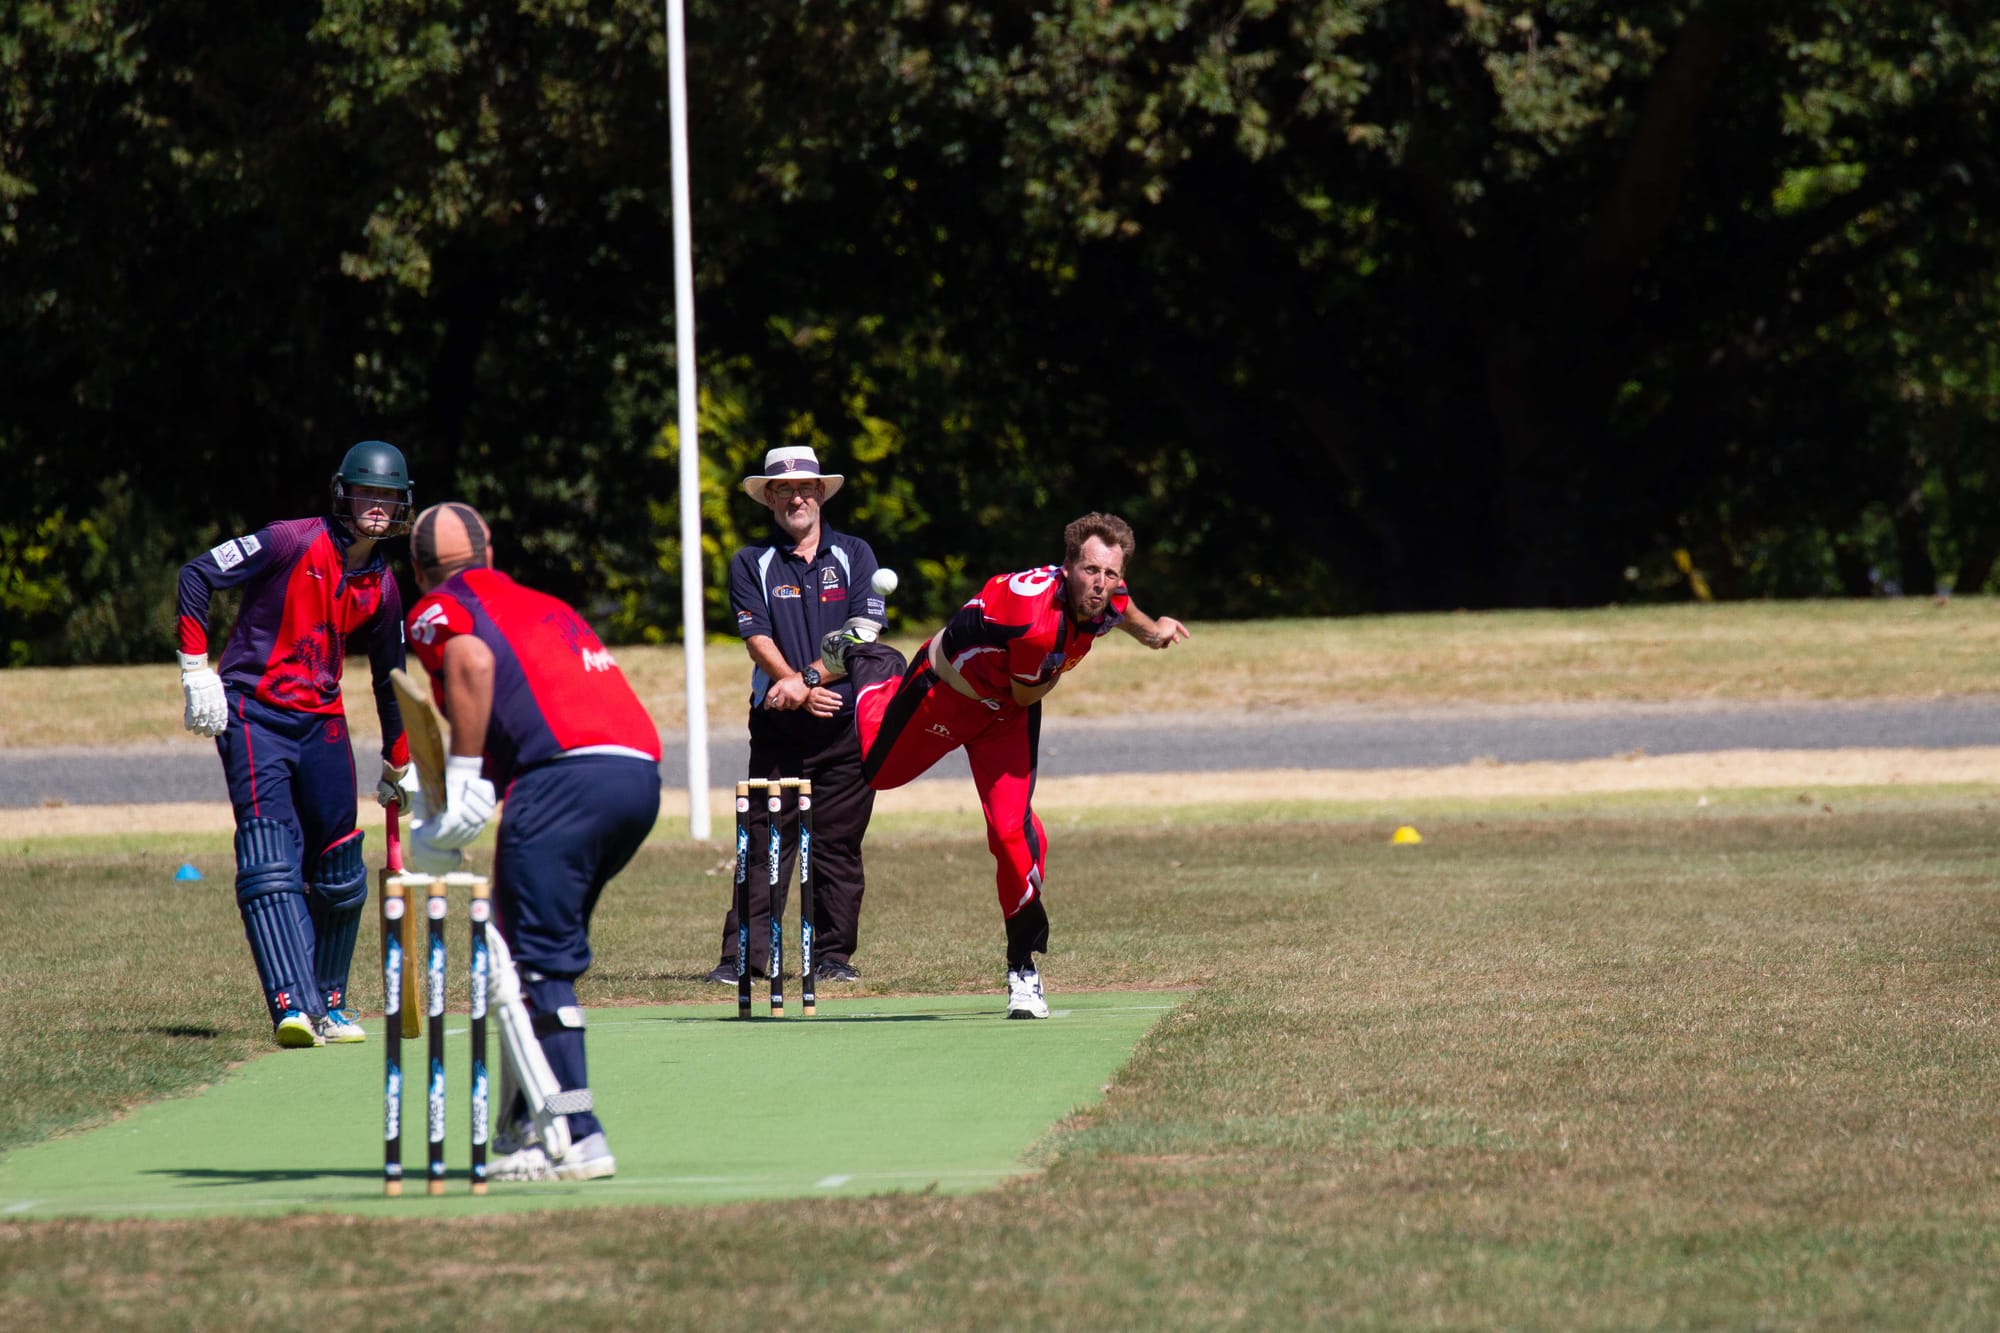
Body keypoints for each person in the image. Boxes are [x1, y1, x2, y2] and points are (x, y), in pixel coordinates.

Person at [821, 512, 1189, 1018]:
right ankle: (870, 660)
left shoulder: (1107, 594)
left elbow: (1122, 611)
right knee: (878, 773)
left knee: (1009, 834)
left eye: (1110, 574)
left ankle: (1023, 967)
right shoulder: (1039, 627)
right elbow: (1029, 688)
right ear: (1068, 568)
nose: (1099, 584)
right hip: (946, 691)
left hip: (1005, 714)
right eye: (1090, 571)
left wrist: (1154, 633)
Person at [400, 501, 661, 1184]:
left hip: (562, 781)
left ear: (417, 567)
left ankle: (579, 1130)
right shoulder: (546, 602)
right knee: (524, 951)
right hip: (636, 776)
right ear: (491, 547)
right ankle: (520, 1127)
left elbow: (472, 663)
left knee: (535, 966)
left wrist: (457, 786)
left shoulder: (435, 608)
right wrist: (478, 786)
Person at [175, 441, 416, 1049]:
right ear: (343, 494)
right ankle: (292, 1005)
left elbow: (391, 678)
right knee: (271, 857)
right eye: (368, 494)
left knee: (339, 867)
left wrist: (400, 758)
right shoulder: (290, 539)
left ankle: (329, 1004)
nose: (378, 508)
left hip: (323, 721)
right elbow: (197, 575)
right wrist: (196, 668)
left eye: (388, 498)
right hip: (255, 711)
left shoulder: (384, 586)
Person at [701, 445, 887, 987]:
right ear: (770, 499)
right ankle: (744, 958)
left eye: (806, 487)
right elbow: (755, 635)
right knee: (764, 843)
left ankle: (832, 956)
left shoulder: (856, 554)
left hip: (847, 724)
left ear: (822, 493)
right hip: (780, 726)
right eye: (784, 490)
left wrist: (804, 682)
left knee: (836, 845)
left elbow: (863, 632)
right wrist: (795, 689)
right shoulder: (749, 562)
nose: (796, 497)